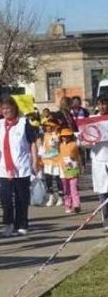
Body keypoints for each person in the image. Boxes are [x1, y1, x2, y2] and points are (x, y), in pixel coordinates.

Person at [0, 97, 39, 237]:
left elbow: (32, 142)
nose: (6, 111)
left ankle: (22, 223)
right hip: (3, 168)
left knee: (22, 198)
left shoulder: (24, 123)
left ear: (15, 109)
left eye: (9, 108)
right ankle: (8, 223)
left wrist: (35, 161)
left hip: (21, 166)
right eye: (4, 109)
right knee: (5, 198)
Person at [80, 96, 108, 229]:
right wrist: (85, 139)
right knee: (103, 191)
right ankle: (106, 219)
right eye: (100, 104)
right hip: (99, 159)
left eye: (105, 104)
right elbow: (85, 141)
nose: (102, 107)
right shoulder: (92, 121)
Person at [38, 118, 63, 207]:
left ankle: (60, 197)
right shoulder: (45, 135)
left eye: (50, 126)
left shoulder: (58, 135)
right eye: (46, 126)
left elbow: (54, 144)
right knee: (48, 179)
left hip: (56, 160)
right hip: (47, 160)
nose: (48, 127)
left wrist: (55, 133)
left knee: (57, 179)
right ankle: (51, 196)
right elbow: (43, 147)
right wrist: (40, 157)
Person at [58, 128, 81, 214]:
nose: (65, 138)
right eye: (64, 136)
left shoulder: (74, 144)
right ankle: (68, 205)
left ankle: (76, 205)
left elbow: (77, 154)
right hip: (63, 170)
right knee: (66, 189)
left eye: (67, 136)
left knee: (74, 188)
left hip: (72, 169)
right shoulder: (60, 145)